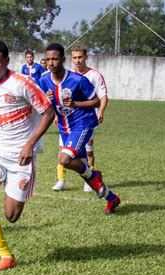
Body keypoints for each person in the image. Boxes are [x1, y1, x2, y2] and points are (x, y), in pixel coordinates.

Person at [0, 40, 55, 272]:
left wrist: (30, 144)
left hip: (21, 156)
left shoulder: (22, 84)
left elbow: (48, 112)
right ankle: (6, 256)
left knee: (11, 215)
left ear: (6, 60)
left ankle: (13, 188)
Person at [38, 43, 120, 215]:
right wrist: (46, 99)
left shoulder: (78, 80)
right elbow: (43, 104)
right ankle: (112, 198)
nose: (51, 62)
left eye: (55, 59)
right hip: (64, 127)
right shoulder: (44, 80)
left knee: (64, 159)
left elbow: (96, 101)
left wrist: (76, 103)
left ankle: (96, 177)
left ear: (62, 59)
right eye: (48, 59)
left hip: (82, 124)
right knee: (84, 171)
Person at [52, 45, 109, 192]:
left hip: (85, 121)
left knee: (87, 151)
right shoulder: (65, 75)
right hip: (66, 122)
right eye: (75, 57)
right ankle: (61, 180)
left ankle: (89, 179)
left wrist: (100, 111)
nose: (77, 60)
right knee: (63, 152)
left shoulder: (94, 75)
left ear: (86, 57)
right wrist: (56, 115)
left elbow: (102, 96)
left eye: (80, 57)